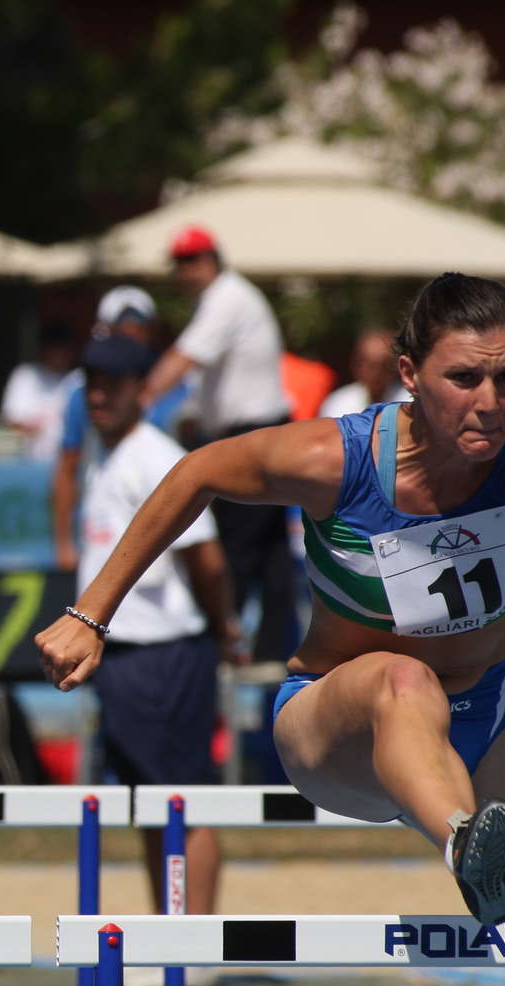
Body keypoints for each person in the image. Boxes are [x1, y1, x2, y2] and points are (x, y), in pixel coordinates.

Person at [40, 272, 505, 927]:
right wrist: (90, 614)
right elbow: (196, 473)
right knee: (404, 680)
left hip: (494, 702)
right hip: (340, 720)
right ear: (409, 374)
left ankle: (480, 851)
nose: (490, 403)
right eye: (463, 379)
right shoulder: (335, 461)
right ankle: (465, 844)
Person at [72, 334, 241, 913]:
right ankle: (170, 933)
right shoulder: (104, 453)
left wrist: (224, 630)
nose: (99, 396)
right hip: (124, 654)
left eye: (112, 385)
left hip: (164, 652)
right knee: (148, 805)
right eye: (92, 384)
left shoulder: (157, 456)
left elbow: (206, 558)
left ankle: (195, 941)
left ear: (142, 391)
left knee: (184, 804)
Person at [143, 226, 297, 662]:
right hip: (259, 430)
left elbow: (185, 358)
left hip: (253, 433)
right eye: (180, 263)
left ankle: (224, 646)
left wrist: (140, 398)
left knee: (236, 547)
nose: (185, 272)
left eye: (192, 261)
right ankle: (272, 651)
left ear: (212, 260)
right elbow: (206, 381)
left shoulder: (226, 298)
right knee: (269, 552)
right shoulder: (223, 299)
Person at [51, 286, 191, 571]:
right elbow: (68, 465)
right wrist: (63, 543)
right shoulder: (81, 394)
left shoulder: (182, 385)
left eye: (139, 327)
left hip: (172, 525)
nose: (131, 335)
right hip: (107, 521)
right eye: (121, 328)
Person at [0, 321, 78, 462]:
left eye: (63, 347)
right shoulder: (25, 375)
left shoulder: (76, 380)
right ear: (45, 349)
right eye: (55, 347)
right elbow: (11, 420)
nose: (59, 353)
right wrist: (42, 430)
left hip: (67, 461)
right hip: (27, 461)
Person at [319, 329, 406, 420]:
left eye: (384, 365)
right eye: (370, 365)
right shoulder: (338, 404)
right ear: (355, 364)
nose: (376, 373)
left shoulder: (408, 403)